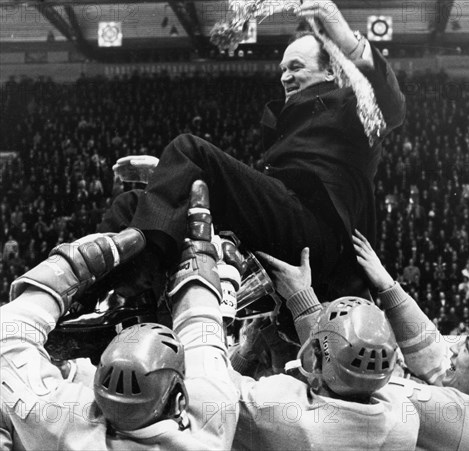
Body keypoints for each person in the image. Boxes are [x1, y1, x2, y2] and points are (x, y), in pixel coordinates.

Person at [102, 0, 405, 304]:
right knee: (132, 203)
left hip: (318, 233)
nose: (285, 76)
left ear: (330, 72)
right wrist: (165, 174)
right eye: (283, 69)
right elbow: (252, 195)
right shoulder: (290, 125)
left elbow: (391, 104)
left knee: (189, 149)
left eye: (296, 67)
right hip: (286, 223)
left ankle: (142, 274)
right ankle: (95, 295)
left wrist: (341, 31)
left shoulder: (352, 106)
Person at [0, 181, 239, 450]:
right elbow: (201, 334)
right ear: (179, 398)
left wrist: (73, 266)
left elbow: (6, 337)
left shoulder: (65, 427)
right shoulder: (210, 426)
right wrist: (202, 260)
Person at [257, 230, 469, 450]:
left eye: (467, 346)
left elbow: (352, 380)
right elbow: (433, 355)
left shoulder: (461, 419)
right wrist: (388, 286)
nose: (454, 347)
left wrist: (302, 301)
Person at [227, 253, 419, 450]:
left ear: (315, 361)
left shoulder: (276, 406)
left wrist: (244, 351)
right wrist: (301, 296)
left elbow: (214, 385)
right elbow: (341, 367)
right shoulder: (405, 421)